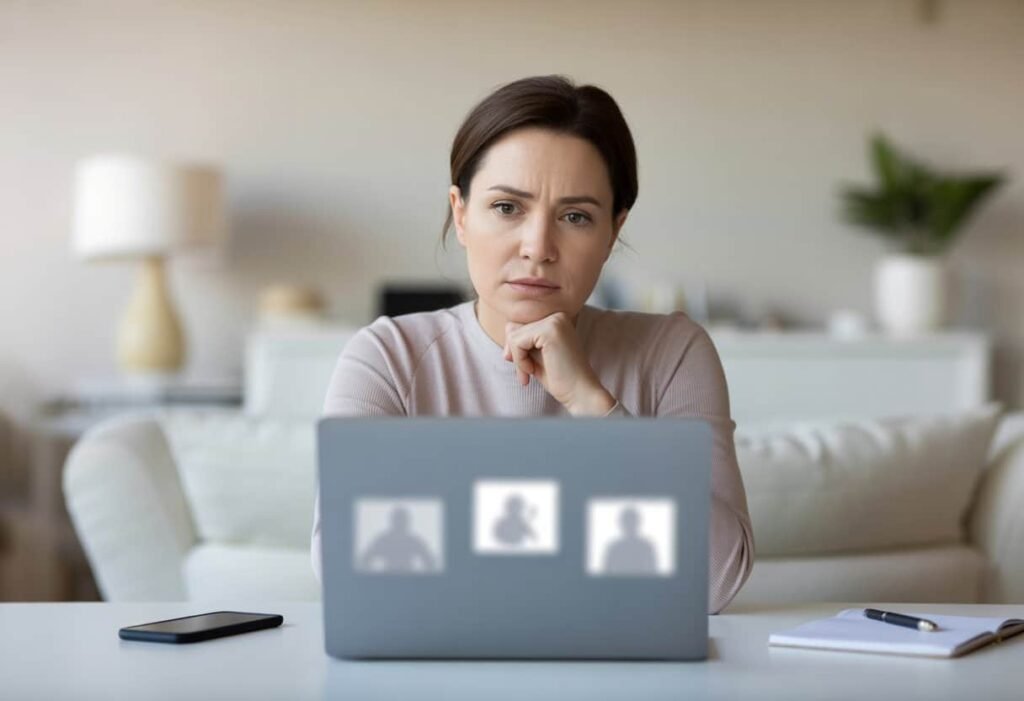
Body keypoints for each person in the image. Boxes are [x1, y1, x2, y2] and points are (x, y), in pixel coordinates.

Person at [313, 74, 754, 614]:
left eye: (575, 217)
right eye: (506, 207)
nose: (538, 247)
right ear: (460, 214)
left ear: (613, 231)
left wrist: (593, 405)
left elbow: (714, 583)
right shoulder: (387, 358)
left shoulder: (672, 354)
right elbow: (347, 569)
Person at [358, 505, 437, 573]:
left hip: (410, 581)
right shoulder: (383, 540)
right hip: (386, 580)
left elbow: (430, 562)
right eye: (398, 520)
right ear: (392, 521)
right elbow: (365, 560)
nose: (400, 522)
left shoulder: (413, 541)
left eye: (402, 520)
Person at [602, 506, 658, 575]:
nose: (629, 525)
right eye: (627, 522)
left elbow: (653, 573)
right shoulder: (614, 548)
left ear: (637, 523)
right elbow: (607, 574)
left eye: (632, 522)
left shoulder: (646, 547)